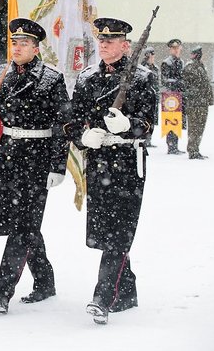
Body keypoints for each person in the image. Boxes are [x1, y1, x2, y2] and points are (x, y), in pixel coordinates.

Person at [0, 18, 71, 314]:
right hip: (9, 157)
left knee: (24, 225)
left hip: (37, 157)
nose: (17, 47)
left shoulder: (51, 78)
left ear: (36, 49)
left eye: (24, 43)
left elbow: (62, 123)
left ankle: (2, 291)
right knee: (22, 223)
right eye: (14, 43)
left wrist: (57, 166)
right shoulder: (0, 74)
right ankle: (45, 282)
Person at [66, 17, 156, 325]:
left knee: (120, 231)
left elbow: (149, 125)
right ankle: (126, 292)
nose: (103, 44)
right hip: (100, 161)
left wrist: (129, 125)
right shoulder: (88, 77)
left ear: (126, 45)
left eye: (111, 40)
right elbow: (72, 120)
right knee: (106, 232)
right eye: (101, 40)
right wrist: (82, 136)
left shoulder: (143, 77)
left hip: (128, 163)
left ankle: (102, 297)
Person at [182, 46, 213, 160]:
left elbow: (205, 85)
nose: (197, 56)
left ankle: (196, 149)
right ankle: (192, 150)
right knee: (194, 127)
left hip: (202, 103)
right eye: (196, 54)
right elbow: (185, 86)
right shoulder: (189, 67)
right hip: (194, 104)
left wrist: (209, 99)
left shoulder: (201, 67)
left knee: (200, 127)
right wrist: (195, 93)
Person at [160, 38, 185, 154]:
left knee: (178, 121)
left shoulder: (181, 62)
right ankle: (171, 146)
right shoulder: (167, 63)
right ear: (170, 49)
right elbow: (164, 80)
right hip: (170, 97)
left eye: (178, 48)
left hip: (179, 97)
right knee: (170, 122)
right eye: (174, 48)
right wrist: (178, 82)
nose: (176, 50)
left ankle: (176, 145)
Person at [141, 47, 160, 147]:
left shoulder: (155, 68)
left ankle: (149, 139)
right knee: (145, 119)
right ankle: (145, 139)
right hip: (145, 98)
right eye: (151, 56)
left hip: (154, 97)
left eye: (153, 56)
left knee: (152, 119)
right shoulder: (143, 68)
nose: (153, 58)